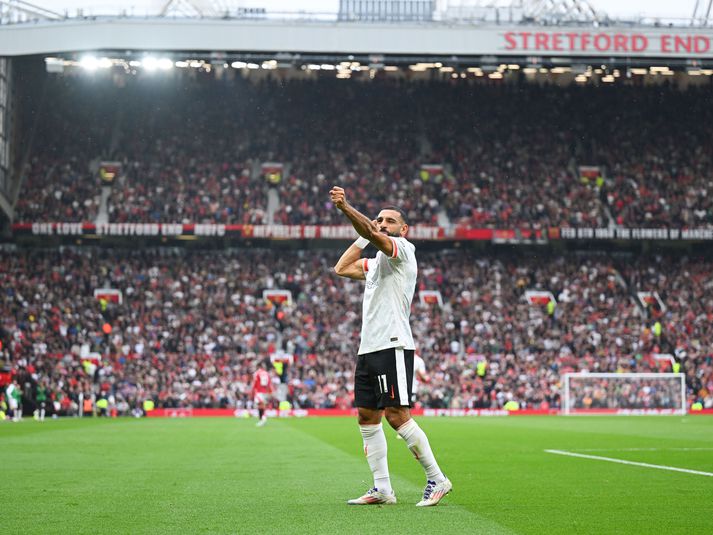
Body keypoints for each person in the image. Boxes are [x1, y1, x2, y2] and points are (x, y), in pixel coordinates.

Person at [330, 185, 452, 507]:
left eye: (389, 221)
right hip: (368, 348)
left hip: (392, 344)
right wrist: (363, 236)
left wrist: (348, 210)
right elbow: (341, 268)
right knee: (367, 417)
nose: (382, 224)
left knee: (397, 415)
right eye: (379, 220)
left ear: (403, 229)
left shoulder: (403, 250)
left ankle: (438, 479)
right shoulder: (375, 264)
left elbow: (378, 238)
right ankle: (382, 488)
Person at [251, 360, 273, 427]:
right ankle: (262, 419)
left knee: (260, 405)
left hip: (259, 391)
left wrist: (252, 392)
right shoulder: (266, 373)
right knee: (261, 405)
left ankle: (262, 419)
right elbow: (268, 384)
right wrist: (270, 392)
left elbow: (254, 384)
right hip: (265, 391)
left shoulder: (257, 373)